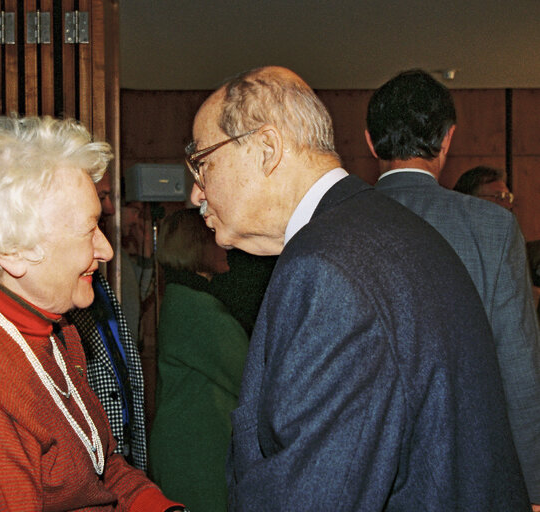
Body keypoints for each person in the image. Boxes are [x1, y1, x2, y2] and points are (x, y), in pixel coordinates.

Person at [187, 65, 528, 510]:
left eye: (202, 163)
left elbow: (316, 494)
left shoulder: (327, 266)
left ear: (267, 148)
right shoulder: (380, 229)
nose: (196, 194)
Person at [0, 116, 185, 511]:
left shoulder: (48, 326)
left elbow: (98, 466)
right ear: (12, 250)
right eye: (88, 229)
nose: (106, 250)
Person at [367, 69, 540, 506]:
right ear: (448, 139)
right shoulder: (492, 227)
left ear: (370, 141)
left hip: (366, 473)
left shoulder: (331, 225)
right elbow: (519, 366)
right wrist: (534, 487)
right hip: (468, 472)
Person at [149, 208, 248, 512]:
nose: (226, 244)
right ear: (197, 244)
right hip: (197, 451)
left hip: (189, 444)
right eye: (215, 235)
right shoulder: (197, 307)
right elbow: (249, 377)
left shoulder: (182, 297)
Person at [67, 172, 148, 471]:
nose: (111, 208)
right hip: (91, 455)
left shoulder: (95, 276)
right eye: (102, 197)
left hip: (117, 446)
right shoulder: (66, 286)